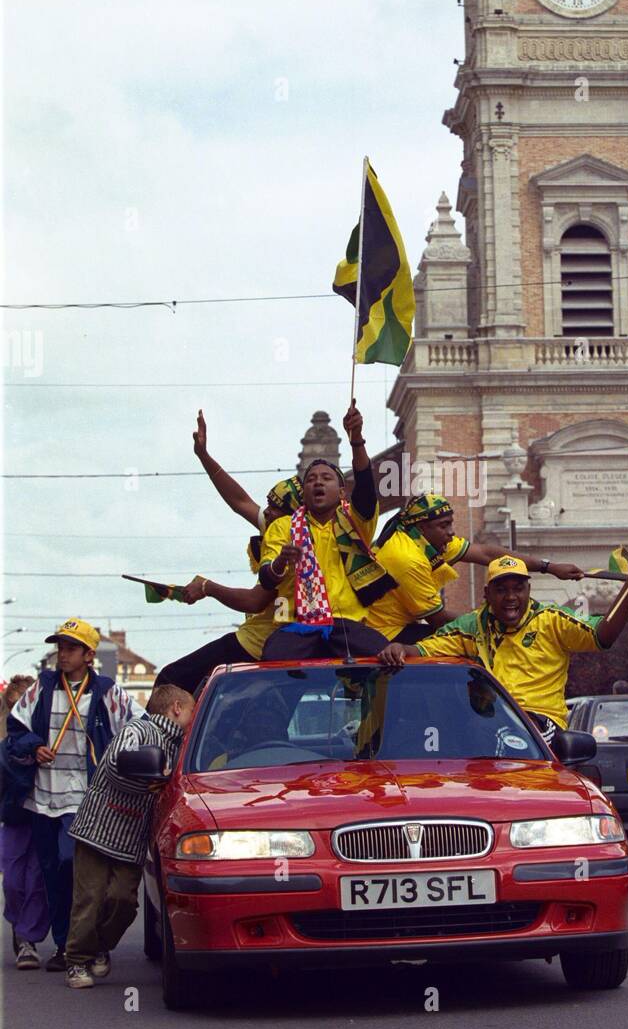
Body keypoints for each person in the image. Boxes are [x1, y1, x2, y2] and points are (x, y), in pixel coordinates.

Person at [184, 402, 393, 661]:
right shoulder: (283, 527)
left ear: (341, 494)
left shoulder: (355, 521)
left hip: (346, 624)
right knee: (273, 667)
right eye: (311, 479)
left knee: (388, 664)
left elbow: (364, 484)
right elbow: (268, 576)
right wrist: (281, 562)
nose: (317, 481)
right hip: (297, 627)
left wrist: (356, 439)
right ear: (303, 494)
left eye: (326, 478)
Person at [378, 553, 628, 745]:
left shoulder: (551, 620)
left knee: (505, 739)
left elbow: (603, 635)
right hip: (487, 723)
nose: (511, 597)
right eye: (501, 590)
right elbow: (424, 650)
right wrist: (399, 648)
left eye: (518, 589)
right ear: (487, 594)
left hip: (540, 726)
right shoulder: (472, 626)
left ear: (528, 590)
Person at [5, 620, 140, 971]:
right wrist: (34, 747)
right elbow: (15, 730)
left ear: (89, 655)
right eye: (59, 647)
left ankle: (92, 943)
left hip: (85, 802)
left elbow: (138, 728)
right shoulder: (41, 688)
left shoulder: (108, 691)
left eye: (70, 648)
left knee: (74, 867)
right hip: (41, 800)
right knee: (52, 873)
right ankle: (66, 946)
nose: (61, 654)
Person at [64, 684, 195, 989]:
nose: (192, 717)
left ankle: (99, 946)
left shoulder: (181, 747)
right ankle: (76, 960)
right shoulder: (138, 729)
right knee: (89, 899)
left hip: (132, 839)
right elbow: (115, 765)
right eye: (190, 710)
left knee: (124, 901)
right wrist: (154, 785)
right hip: (98, 830)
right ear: (176, 707)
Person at [365, 493, 587, 644]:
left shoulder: (425, 539)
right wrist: (494, 624)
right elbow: (438, 619)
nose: (451, 532)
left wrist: (548, 567)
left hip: (399, 626)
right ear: (422, 527)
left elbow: (487, 554)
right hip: (383, 634)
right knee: (468, 645)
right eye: (444, 526)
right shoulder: (406, 558)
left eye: (451, 523)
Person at [155, 474, 302, 694]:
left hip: (257, 642)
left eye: (275, 507)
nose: (266, 511)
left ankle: (155, 730)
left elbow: (255, 601)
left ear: (291, 517)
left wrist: (208, 587)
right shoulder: (289, 528)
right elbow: (239, 502)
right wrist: (203, 455)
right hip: (268, 641)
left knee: (171, 681)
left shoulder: (287, 544)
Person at [0, 674, 51, 969]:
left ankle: (27, 940)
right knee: (14, 880)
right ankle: (19, 927)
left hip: (43, 817)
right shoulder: (6, 749)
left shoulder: (49, 745)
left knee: (37, 879)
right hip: (15, 820)